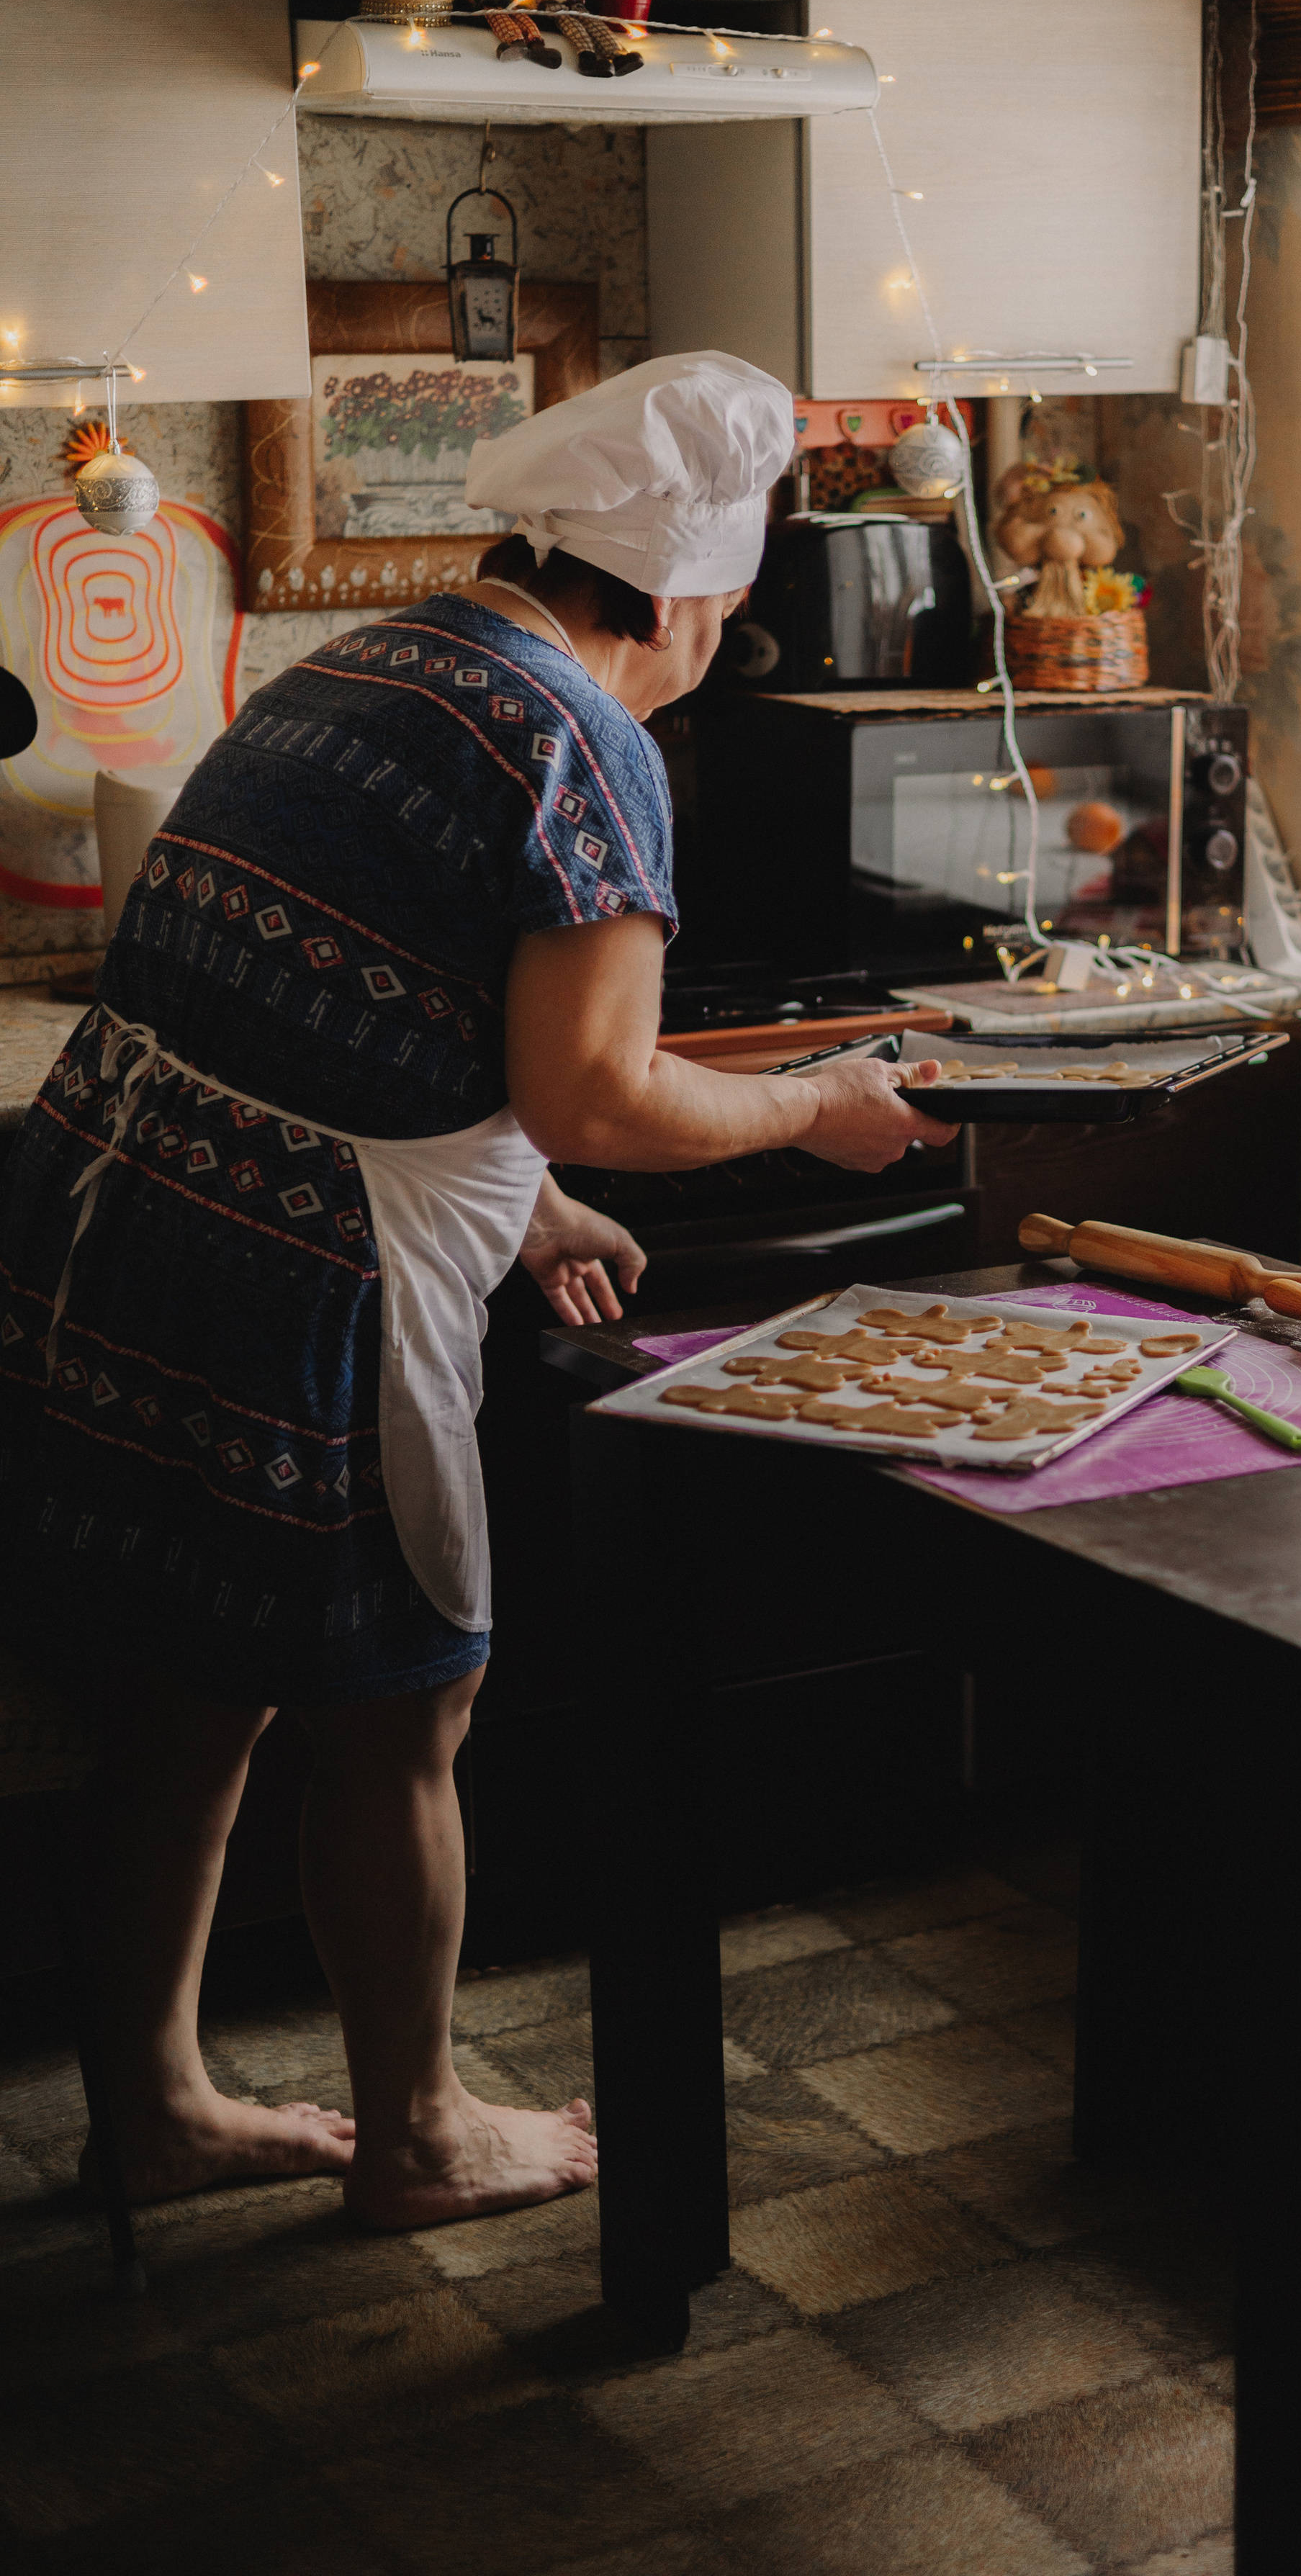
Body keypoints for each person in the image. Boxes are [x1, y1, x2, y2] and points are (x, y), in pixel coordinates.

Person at [0, 351, 955, 2228]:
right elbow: (595, 1091)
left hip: (118, 1225)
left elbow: (363, 1012)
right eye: (723, 616)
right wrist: (815, 1106)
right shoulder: (585, 747)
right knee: (401, 1710)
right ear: (669, 598)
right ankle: (421, 2137)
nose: (710, 653)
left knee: (181, 1698)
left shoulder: (368, 664)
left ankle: (160, 2109)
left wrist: (523, 1211)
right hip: (293, 1270)